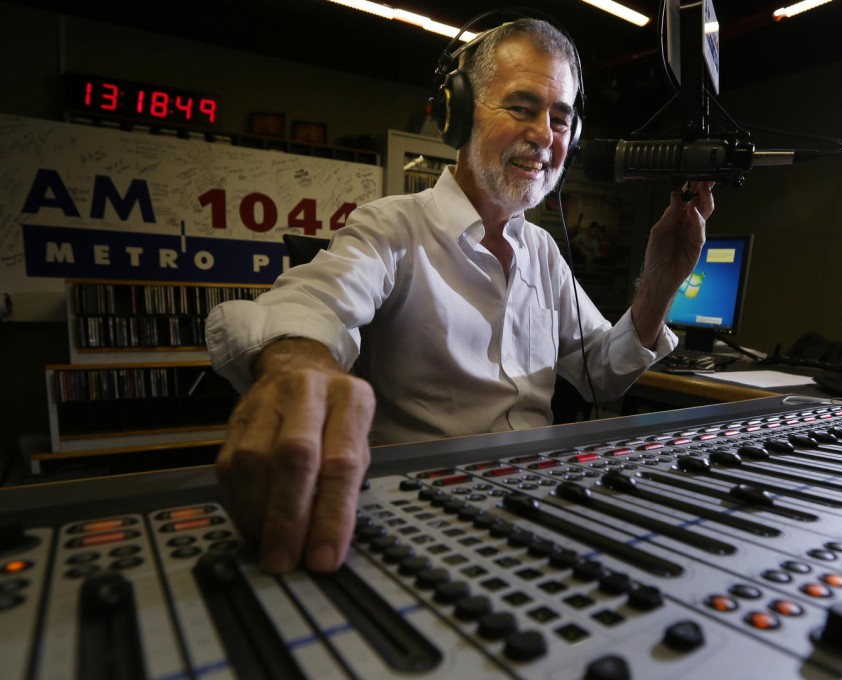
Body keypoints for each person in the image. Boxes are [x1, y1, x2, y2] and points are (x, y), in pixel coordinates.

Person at [205, 18, 715, 575]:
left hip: (540, 503)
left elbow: (604, 370)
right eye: (521, 107)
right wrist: (293, 366)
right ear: (457, 114)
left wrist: (661, 281)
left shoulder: (543, 250)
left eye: (561, 118)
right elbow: (310, 306)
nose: (545, 134)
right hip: (424, 514)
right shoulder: (391, 227)